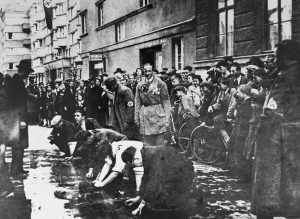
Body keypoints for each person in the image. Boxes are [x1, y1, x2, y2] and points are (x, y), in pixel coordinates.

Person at [252, 40, 300, 219]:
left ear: (286, 57)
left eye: (277, 55)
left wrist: (262, 129)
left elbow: (272, 111)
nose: (274, 59)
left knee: (269, 195)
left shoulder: (285, 77)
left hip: (280, 140)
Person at [122, 145, 194, 218]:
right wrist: (139, 197)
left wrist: (144, 202)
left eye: (134, 165)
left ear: (135, 159)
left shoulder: (151, 156)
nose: (136, 167)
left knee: (167, 203)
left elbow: (154, 181)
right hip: (174, 171)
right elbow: (146, 177)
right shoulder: (144, 154)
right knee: (156, 195)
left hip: (184, 173)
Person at [135, 63, 171, 146]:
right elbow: (137, 102)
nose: (147, 73)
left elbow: (166, 101)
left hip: (158, 114)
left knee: (159, 144)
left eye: (149, 71)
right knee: (147, 145)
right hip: (145, 115)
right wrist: (136, 118)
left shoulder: (160, 83)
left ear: (152, 72)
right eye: (145, 71)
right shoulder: (140, 85)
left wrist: (167, 117)